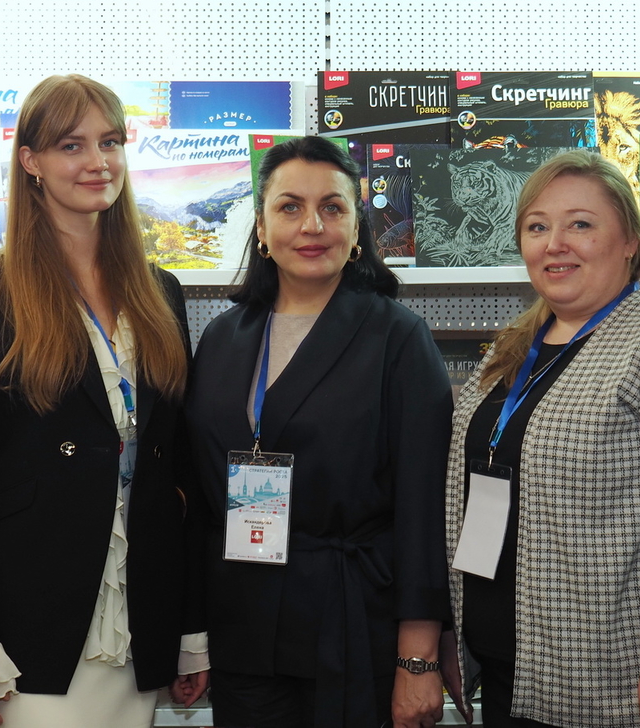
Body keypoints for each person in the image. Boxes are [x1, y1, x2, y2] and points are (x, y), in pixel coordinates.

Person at [0, 74, 208, 728]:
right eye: (72, 145)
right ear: (31, 161)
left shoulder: (161, 291)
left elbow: (180, 475)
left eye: (111, 142)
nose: (98, 162)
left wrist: (189, 629)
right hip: (34, 617)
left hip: (139, 614)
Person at [443, 150, 640, 728]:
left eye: (580, 224)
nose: (555, 244)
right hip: (512, 671)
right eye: (537, 227)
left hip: (616, 685)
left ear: (629, 240)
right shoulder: (514, 346)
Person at [186, 136, 452, 728]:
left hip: (351, 622)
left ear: (357, 229)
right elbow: (201, 504)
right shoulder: (223, 338)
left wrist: (418, 658)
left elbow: (423, 510)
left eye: (332, 207)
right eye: (290, 207)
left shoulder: (398, 338)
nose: (312, 226)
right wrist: (193, 634)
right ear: (261, 227)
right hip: (242, 624)